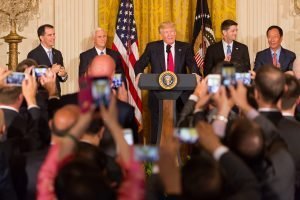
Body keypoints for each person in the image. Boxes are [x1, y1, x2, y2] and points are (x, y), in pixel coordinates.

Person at [134, 21, 199, 144]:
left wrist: (195, 74)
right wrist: (140, 74)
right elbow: (139, 64)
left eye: (172, 32)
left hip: (180, 96)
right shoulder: (152, 47)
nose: (170, 35)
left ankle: (181, 158)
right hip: (157, 95)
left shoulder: (185, 47)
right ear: (161, 34)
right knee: (156, 126)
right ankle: (154, 160)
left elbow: (192, 64)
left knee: (180, 127)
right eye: (167, 32)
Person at [27, 24, 68, 96]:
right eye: (50, 35)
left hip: (56, 95)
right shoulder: (33, 54)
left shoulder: (58, 53)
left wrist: (63, 75)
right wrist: (51, 71)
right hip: (41, 96)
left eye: (54, 34)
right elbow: (32, 74)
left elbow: (61, 76)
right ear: (41, 37)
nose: (53, 37)